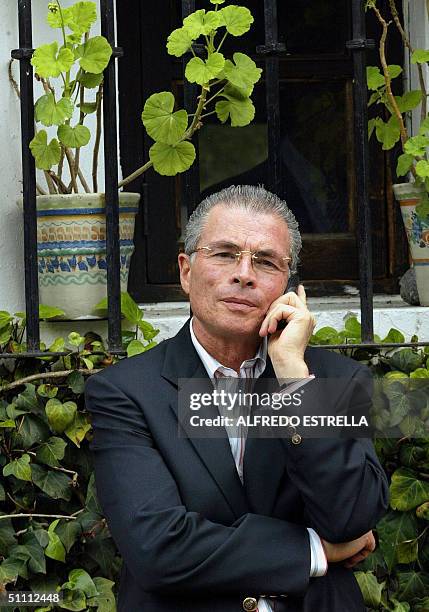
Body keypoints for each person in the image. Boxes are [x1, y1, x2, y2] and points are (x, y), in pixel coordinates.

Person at [84, 185, 389, 612]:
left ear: (287, 286)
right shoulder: (126, 391)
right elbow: (158, 549)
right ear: (186, 271)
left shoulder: (336, 379)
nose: (244, 273)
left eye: (265, 261)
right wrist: (313, 551)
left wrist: (295, 382)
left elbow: (351, 518)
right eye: (225, 254)